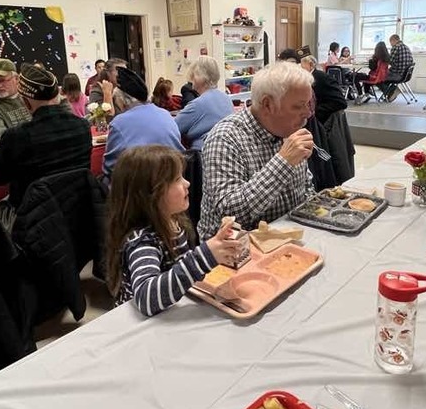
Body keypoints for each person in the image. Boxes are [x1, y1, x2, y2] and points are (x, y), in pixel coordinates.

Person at [106, 145, 241, 317]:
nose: (187, 183)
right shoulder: (143, 242)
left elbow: (183, 270)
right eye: (176, 179)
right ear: (150, 195)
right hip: (144, 325)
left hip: (172, 310)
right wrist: (204, 257)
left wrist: (218, 248)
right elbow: (147, 300)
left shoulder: (175, 221)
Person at [198, 62, 315, 239]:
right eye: (299, 106)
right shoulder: (225, 138)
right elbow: (230, 214)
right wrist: (283, 162)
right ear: (267, 104)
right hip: (233, 253)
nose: (308, 113)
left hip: (286, 239)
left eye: (308, 104)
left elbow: (306, 188)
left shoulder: (286, 129)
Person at [0, 63, 91, 209]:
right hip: (77, 208)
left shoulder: (18, 136)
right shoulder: (83, 126)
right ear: (57, 95)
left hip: (32, 217)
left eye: (3, 80)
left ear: (25, 102)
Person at [102, 67, 183, 179]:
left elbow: (109, 167)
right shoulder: (166, 114)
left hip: (142, 187)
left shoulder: (119, 124)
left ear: (120, 100)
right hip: (172, 178)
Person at [174, 56, 233, 151]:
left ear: (197, 78)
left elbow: (172, 128)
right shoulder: (226, 98)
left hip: (203, 154)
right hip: (225, 149)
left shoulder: (197, 104)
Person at [300, 55, 346, 123]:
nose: (300, 68)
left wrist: (316, 110)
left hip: (321, 118)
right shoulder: (307, 77)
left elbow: (340, 102)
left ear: (311, 65)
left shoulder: (321, 77)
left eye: (302, 66)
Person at [385, 34, 414, 103]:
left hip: (398, 73)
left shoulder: (395, 47)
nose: (391, 44)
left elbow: (390, 61)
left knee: (381, 77)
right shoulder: (407, 47)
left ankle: (392, 91)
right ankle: (390, 93)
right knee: (385, 74)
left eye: (390, 42)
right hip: (406, 75)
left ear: (394, 40)